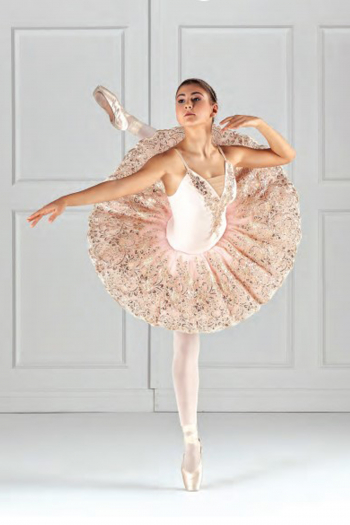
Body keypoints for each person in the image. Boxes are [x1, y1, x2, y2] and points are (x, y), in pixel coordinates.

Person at [26, 78, 302, 491]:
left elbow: (285, 155)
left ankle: (131, 124)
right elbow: (119, 188)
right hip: (176, 253)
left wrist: (260, 122)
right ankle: (191, 442)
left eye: (196, 99)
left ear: (214, 108)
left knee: (176, 147)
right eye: (180, 100)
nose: (187, 104)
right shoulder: (169, 162)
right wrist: (67, 199)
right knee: (185, 342)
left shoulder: (232, 154)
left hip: (219, 247)